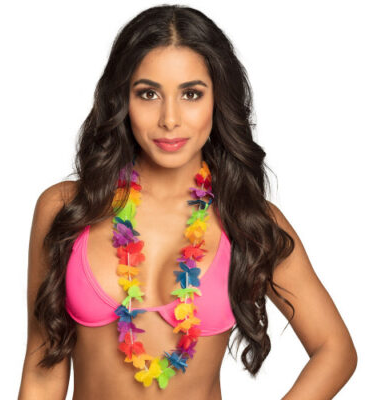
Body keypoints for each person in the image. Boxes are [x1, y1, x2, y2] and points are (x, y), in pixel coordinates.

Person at [18, 5, 357, 400]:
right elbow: (42, 374)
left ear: (218, 99)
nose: (170, 119)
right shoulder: (66, 209)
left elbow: (335, 350)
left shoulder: (247, 219)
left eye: (191, 94)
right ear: (122, 99)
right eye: (148, 94)